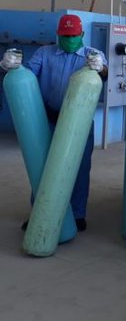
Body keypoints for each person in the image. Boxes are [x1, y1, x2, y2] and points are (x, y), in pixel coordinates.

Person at [0, 14, 108, 232]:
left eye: (74, 36)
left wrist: (100, 69)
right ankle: (40, 211)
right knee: (42, 165)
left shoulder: (91, 56)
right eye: (65, 36)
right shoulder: (44, 53)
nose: (70, 39)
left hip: (80, 122)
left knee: (79, 167)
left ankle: (77, 214)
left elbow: (104, 73)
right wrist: (9, 67)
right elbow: (27, 76)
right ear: (58, 35)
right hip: (48, 118)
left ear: (82, 35)